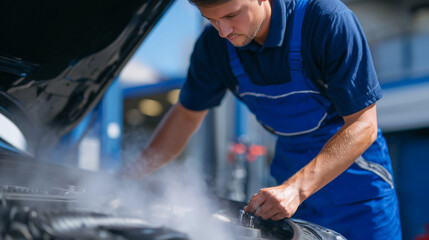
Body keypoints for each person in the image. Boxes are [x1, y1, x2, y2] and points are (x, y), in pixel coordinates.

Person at [125, 0, 402, 239]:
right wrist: (132, 175)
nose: (224, 31)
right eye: (211, 20)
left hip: (359, 191)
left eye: (232, 15)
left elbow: (364, 125)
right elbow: (185, 115)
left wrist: (296, 189)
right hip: (287, 181)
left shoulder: (326, 21)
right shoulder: (214, 47)